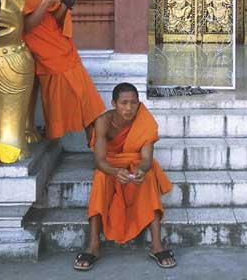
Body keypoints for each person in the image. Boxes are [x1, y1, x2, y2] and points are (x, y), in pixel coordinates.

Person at [0, 0, 106, 143]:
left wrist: (67, 2)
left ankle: (93, 130)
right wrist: (46, 2)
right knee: (76, 90)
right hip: (39, 45)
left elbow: (54, 18)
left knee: (81, 90)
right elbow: (25, 26)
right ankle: (91, 131)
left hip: (57, 43)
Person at [75, 83, 175, 271]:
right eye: (124, 103)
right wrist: (114, 171)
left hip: (135, 161)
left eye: (133, 103)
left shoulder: (145, 121)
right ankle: (94, 245)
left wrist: (141, 170)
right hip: (110, 163)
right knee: (100, 178)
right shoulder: (103, 121)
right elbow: (99, 160)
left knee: (149, 175)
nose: (129, 108)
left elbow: (146, 159)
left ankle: (156, 245)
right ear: (114, 103)